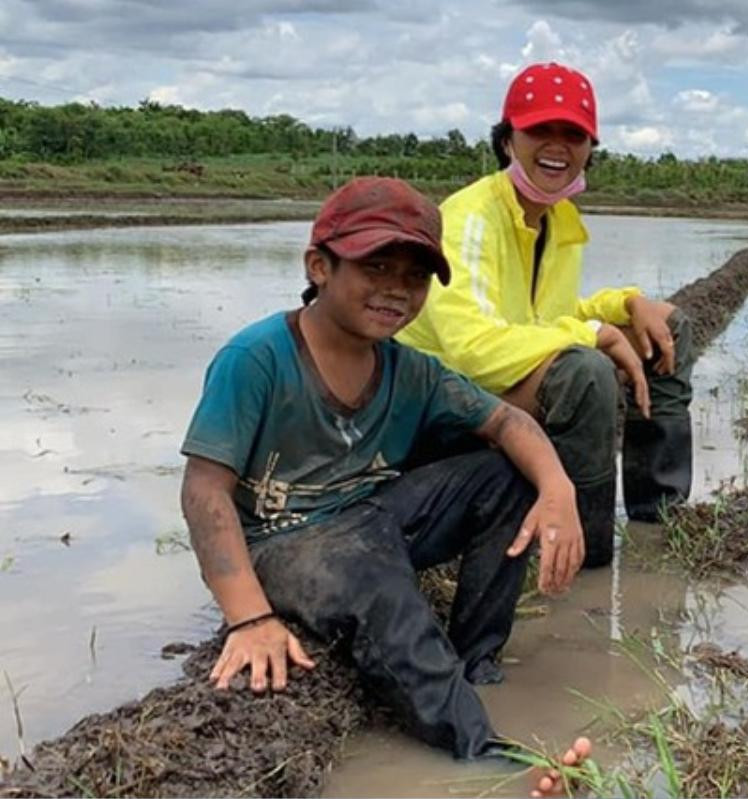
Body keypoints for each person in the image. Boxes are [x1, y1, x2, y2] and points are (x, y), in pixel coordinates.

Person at [179, 176, 591, 784]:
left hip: (371, 515)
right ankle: (485, 760)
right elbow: (204, 490)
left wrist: (560, 491)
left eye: (415, 276)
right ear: (319, 265)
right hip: (282, 540)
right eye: (377, 266)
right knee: (375, 581)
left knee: (506, 475)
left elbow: (508, 421)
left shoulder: (411, 370)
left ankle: (477, 660)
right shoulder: (258, 357)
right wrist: (249, 619)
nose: (397, 290)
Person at [398, 62, 695, 568]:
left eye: (573, 134)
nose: (557, 146)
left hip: (499, 378)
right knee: (586, 371)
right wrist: (593, 333)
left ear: (589, 149)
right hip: (440, 400)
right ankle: (584, 552)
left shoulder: (557, 218)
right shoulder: (470, 219)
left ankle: (656, 514)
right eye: (540, 130)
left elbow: (545, 316)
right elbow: (471, 349)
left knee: (667, 327)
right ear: (508, 139)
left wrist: (623, 305)